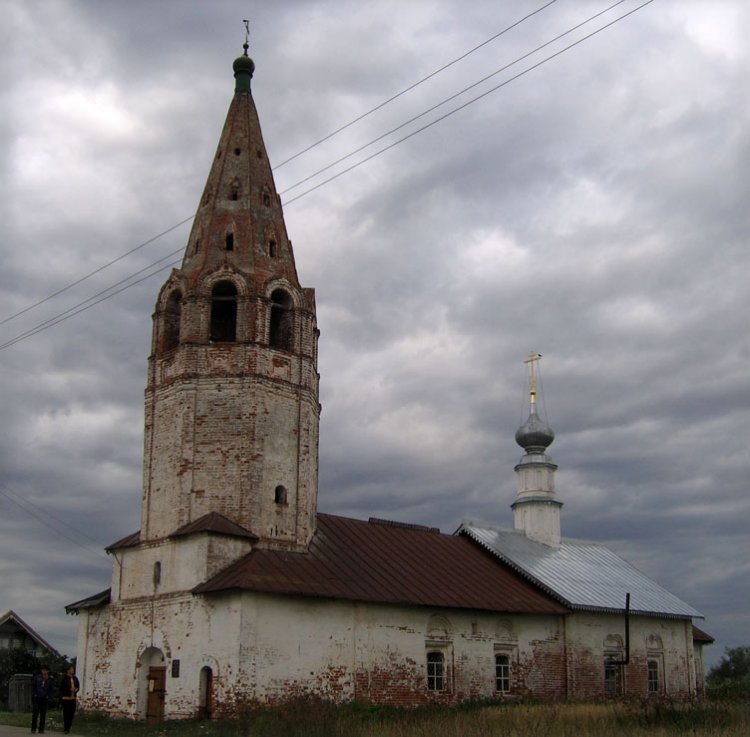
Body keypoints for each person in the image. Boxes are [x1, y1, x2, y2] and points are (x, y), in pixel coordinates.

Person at [30, 664, 53, 734]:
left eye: (46, 670)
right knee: (35, 714)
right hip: (37, 698)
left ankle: (41, 729)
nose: (44, 671)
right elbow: (33, 686)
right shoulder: (37, 678)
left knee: (43, 714)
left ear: (48, 671)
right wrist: (34, 694)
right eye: (43, 670)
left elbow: (51, 689)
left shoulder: (49, 679)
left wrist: (48, 696)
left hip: (44, 698)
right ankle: (33, 728)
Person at [59, 664, 80, 734]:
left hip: (73, 698)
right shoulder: (64, 678)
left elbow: (78, 685)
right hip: (66, 698)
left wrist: (76, 689)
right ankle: (66, 728)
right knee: (66, 714)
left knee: (71, 714)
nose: (73, 670)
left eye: (73, 669)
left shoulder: (75, 678)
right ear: (68, 670)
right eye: (71, 669)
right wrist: (69, 690)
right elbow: (61, 688)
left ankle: (69, 727)